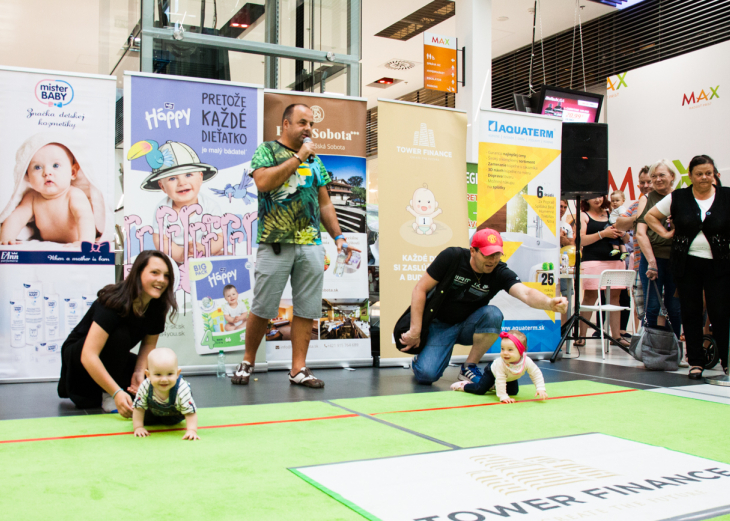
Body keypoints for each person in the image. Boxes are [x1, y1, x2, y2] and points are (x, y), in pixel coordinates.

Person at [231, 103, 348, 388]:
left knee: (307, 309)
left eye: (311, 124)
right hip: (275, 243)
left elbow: (324, 203)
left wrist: (339, 237)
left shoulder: (315, 160)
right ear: (285, 124)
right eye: (302, 122)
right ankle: (248, 361)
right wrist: (298, 158)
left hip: (310, 243)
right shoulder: (267, 151)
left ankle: (298, 369)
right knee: (263, 305)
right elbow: (263, 182)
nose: (308, 128)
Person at [398, 228, 568, 385]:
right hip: (439, 325)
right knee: (426, 375)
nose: (493, 260)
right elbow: (420, 289)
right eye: (487, 255)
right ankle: (421, 360)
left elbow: (526, 293)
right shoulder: (452, 257)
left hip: (468, 325)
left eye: (497, 255)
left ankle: (469, 367)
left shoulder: (499, 272)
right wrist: (415, 330)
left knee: (493, 314)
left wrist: (549, 303)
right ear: (473, 251)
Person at [57, 250, 177, 417]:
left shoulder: (157, 306)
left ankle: (114, 390)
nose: (161, 280)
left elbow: (149, 344)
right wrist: (115, 393)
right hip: (80, 359)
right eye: (154, 273)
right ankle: (107, 395)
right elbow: (88, 355)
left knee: (157, 369)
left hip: (114, 356)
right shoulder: (114, 300)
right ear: (138, 274)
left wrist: (138, 373)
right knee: (120, 335)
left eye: (166, 276)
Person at [645, 155, 730, 379]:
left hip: (719, 264)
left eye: (708, 173)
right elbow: (650, 216)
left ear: (715, 175)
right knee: (690, 313)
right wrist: (664, 233)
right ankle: (695, 362)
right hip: (686, 263)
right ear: (690, 176)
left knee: (720, 312)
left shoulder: (727, 196)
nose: (704, 177)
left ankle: (727, 361)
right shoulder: (678, 197)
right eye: (699, 173)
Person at [129, 141, 224, 263]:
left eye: (188, 175)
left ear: (200, 177)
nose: (182, 183)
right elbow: (160, 239)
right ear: (162, 186)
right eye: (172, 178)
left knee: (227, 255)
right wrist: (181, 255)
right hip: (175, 258)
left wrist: (204, 249)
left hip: (205, 254)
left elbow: (220, 237)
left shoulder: (210, 206)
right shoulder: (162, 209)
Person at [1, 142, 96, 245]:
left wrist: (85, 242)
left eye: (56, 165)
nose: (47, 172)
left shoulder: (74, 195)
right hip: (47, 244)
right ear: (27, 175)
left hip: (75, 243)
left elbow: (85, 218)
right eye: (37, 167)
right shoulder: (32, 197)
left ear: (72, 172)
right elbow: (17, 218)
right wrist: (6, 239)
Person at [635, 160, 682, 340]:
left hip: (675, 261)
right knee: (652, 307)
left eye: (662, 175)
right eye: (654, 176)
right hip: (652, 259)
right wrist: (652, 262)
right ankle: (649, 349)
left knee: (675, 307)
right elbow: (641, 234)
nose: (657, 179)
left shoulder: (681, 197)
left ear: (672, 176)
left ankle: (675, 349)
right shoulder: (646, 199)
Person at [575, 196, 629, 348]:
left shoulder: (612, 213)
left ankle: (616, 336)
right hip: (593, 261)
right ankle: (581, 335)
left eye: (599, 195)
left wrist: (622, 233)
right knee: (590, 296)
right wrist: (602, 234)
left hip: (616, 261)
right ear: (586, 199)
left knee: (615, 298)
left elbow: (627, 239)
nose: (597, 199)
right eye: (592, 196)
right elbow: (580, 240)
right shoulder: (584, 216)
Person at [450, 330, 548, 403]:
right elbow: (501, 379)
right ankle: (463, 386)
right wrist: (503, 396)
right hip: (492, 371)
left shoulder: (527, 361)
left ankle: (493, 386)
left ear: (521, 351)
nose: (505, 353)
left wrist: (540, 388)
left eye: (510, 350)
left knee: (513, 392)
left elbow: (536, 374)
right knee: (480, 389)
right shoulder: (501, 363)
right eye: (502, 349)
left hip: (511, 375)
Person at [132, 347, 199, 440]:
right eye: (158, 374)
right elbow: (139, 408)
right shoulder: (145, 385)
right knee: (144, 419)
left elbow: (190, 413)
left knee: (170, 422)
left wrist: (192, 430)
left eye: (169, 374)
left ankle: (165, 419)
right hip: (153, 411)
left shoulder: (182, 388)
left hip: (175, 415)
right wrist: (138, 427)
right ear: (148, 375)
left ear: (177, 373)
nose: (164, 379)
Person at [615, 165, 652, 329]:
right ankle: (645, 345)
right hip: (639, 264)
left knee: (664, 309)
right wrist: (641, 216)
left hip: (664, 263)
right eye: (642, 183)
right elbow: (619, 223)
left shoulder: (668, 202)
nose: (645, 186)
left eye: (649, 181)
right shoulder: (636, 205)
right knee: (641, 310)